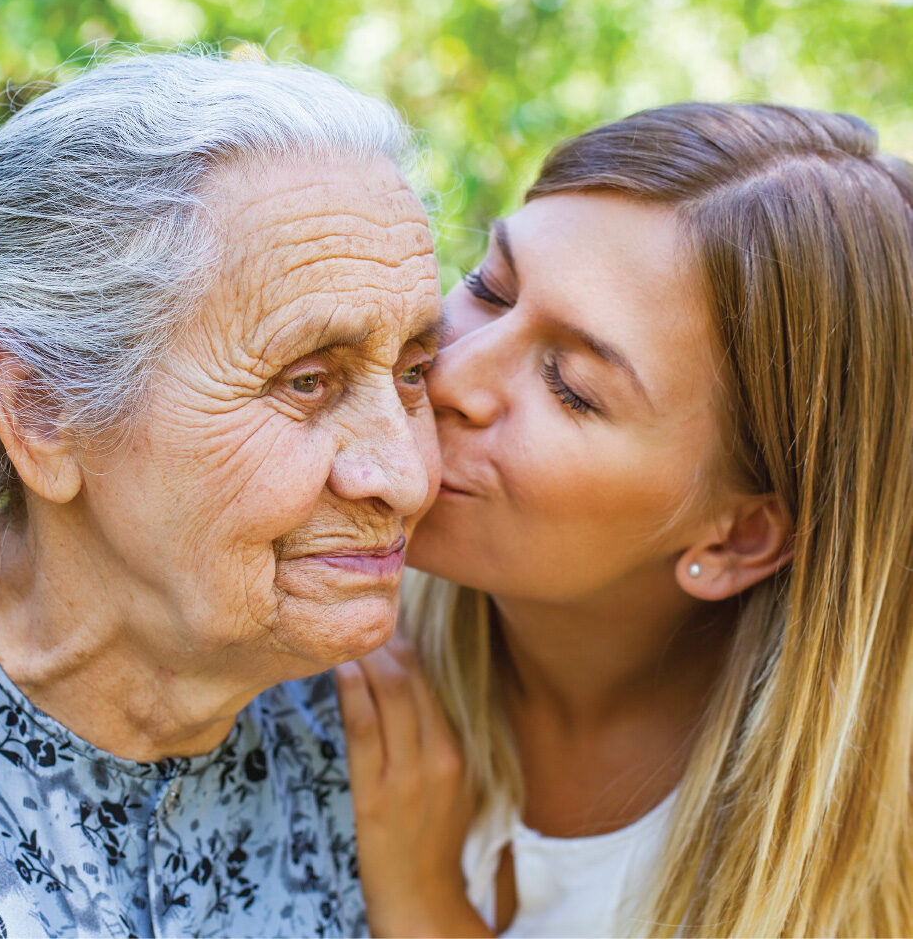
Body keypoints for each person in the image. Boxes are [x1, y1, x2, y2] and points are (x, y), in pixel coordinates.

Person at [338, 104, 913, 937]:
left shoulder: (860, 872)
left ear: (735, 538)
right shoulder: (312, 635)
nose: (451, 374)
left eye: (570, 385)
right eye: (488, 287)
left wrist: (427, 908)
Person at [0, 50, 442, 937]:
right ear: (40, 407)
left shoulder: (388, 731)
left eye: (416, 370)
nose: (406, 474)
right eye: (307, 381)